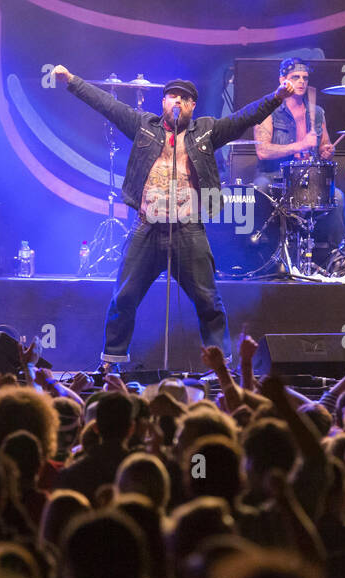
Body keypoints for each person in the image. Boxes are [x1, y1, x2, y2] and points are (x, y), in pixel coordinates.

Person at [51, 65, 288, 369]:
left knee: (208, 302)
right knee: (122, 298)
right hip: (146, 228)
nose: (177, 101)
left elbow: (243, 117)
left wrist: (276, 96)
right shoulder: (143, 126)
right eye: (171, 96)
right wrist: (72, 80)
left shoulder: (206, 131)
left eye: (184, 98)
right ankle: (111, 363)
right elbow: (106, 104)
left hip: (188, 230)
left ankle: (221, 369)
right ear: (162, 102)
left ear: (192, 106)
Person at [253, 58, 344, 266]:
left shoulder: (317, 113)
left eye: (305, 78)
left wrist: (327, 151)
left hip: (307, 177)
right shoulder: (269, 109)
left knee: (337, 197)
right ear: (282, 80)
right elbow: (262, 151)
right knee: (259, 188)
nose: (301, 81)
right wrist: (299, 145)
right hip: (274, 177)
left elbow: (325, 145)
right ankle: (261, 255)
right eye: (296, 77)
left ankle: (334, 256)